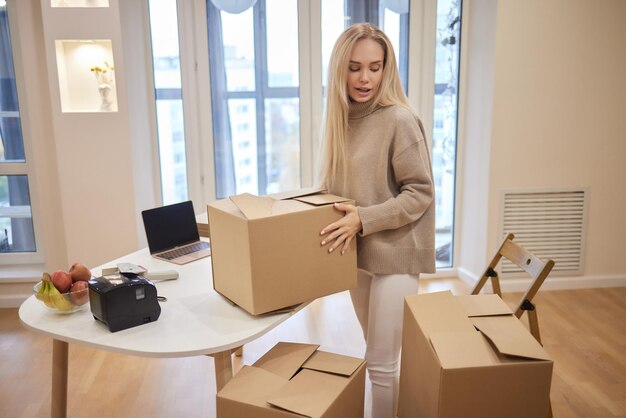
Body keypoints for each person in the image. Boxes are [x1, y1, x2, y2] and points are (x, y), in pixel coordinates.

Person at [319, 23, 436, 418]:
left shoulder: (400, 120)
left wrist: (362, 220)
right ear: (340, 70)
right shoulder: (342, 121)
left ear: (387, 69)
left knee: (381, 364)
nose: (365, 78)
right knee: (378, 355)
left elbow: (420, 192)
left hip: (397, 254)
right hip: (361, 256)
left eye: (374, 67)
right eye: (354, 68)